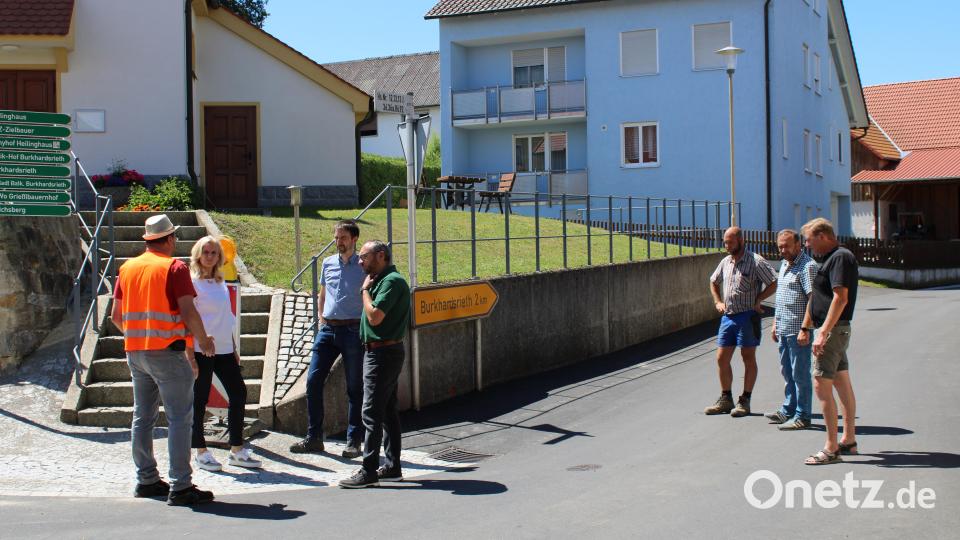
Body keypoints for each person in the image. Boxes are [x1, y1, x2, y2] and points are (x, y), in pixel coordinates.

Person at [111, 214, 216, 506]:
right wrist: (204, 340)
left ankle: (146, 480)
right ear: (169, 239)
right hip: (168, 352)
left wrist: (139, 336)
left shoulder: (127, 268)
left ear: (148, 240)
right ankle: (181, 486)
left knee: (142, 416)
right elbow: (188, 311)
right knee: (179, 418)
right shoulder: (175, 267)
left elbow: (116, 316)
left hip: (135, 352)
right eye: (175, 237)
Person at [290, 221, 366, 458]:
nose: (338, 242)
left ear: (354, 239)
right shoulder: (328, 263)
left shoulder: (364, 266)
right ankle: (314, 437)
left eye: (343, 238)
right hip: (328, 330)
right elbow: (323, 293)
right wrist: (322, 318)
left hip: (353, 330)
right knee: (313, 382)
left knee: (354, 388)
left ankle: (354, 441)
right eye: (336, 237)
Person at [339, 241, 410, 489]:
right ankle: (392, 467)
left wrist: (364, 291)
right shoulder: (382, 280)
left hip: (382, 353)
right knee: (387, 411)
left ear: (381, 256)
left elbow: (375, 316)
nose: (360, 262)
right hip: (381, 352)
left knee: (371, 412)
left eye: (364, 257)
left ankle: (368, 470)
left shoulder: (391, 282)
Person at [188, 235, 262, 471]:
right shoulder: (192, 282)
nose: (210, 256)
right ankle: (200, 451)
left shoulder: (220, 282)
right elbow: (187, 319)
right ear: (198, 254)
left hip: (224, 349)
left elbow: (226, 317)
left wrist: (233, 348)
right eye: (206, 252)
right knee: (199, 399)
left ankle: (237, 449)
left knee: (238, 393)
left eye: (214, 253)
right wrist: (190, 353)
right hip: (201, 348)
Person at [800, 218, 859, 465]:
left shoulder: (839, 258)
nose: (807, 245)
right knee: (841, 382)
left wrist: (823, 331)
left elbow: (840, 298)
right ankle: (849, 440)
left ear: (822, 236)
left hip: (833, 330)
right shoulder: (830, 258)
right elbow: (819, 297)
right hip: (834, 330)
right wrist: (807, 327)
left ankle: (831, 448)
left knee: (820, 385)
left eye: (809, 240)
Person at [705, 227, 777, 417]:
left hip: (747, 316)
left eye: (730, 242)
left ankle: (745, 400)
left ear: (741, 241)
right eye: (725, 242)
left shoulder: (756, 261)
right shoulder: (725, 262)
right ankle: (725, 398)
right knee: (721, 358)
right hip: (728, 317)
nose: (727, 246)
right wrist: (718, 301)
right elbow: (713, 281)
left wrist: (759, 298)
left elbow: (774, 282)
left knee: (747, 357)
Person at [765, 229, 818, 431]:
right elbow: (781, 297)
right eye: (780, 247)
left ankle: (803, 416)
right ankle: (788, 410)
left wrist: (805, 328)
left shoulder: (807, 266)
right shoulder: (786, 264)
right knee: (787, 372)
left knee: (800, 374)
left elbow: (813, 299)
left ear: (798, 244)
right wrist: (775, 324)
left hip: (798, 330)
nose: (783, 250)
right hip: (784, 329)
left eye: (786, 246)